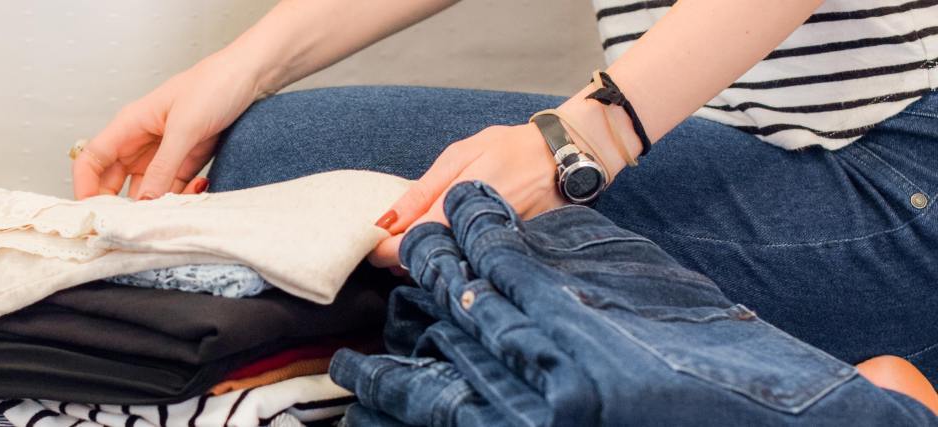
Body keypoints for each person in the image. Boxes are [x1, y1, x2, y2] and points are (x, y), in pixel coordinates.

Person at [70, 0, 938, 413]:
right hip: (730, 150)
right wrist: (238, 69)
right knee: (264, 154)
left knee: (286, 162)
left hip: (890, 181)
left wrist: (591, 139)